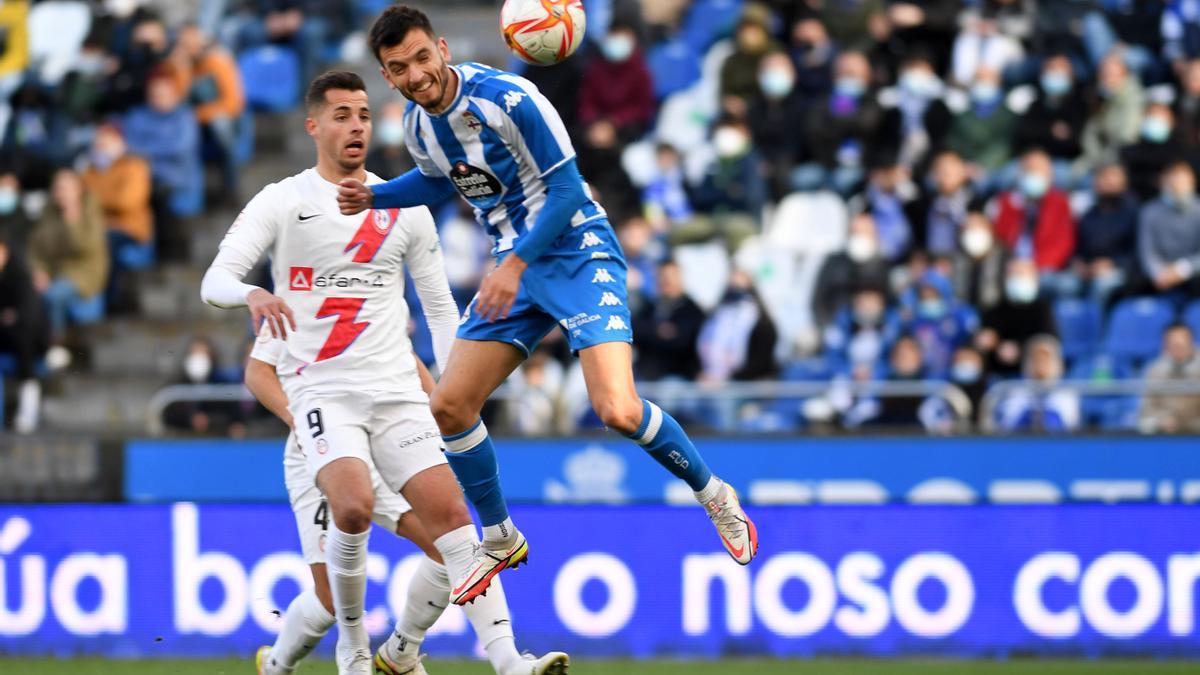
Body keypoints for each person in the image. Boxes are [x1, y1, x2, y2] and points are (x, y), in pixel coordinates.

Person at [337, 5, 758, 605]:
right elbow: (440, 182)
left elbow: (564, 190)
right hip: (515, 266)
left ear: (444, 49)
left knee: (615, 408)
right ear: (387, 75)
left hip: (576, 250)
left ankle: (714, 492)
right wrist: (376, 195)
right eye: (398, 68)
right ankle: (500, 535)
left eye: (422, 59)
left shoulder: (511, 98)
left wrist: (513, 264)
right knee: (451, 407)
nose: (415, 76)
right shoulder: (417, 126)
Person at [200, 71, 567, 675]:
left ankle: (503, 661)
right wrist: (250, 296)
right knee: (347, 524)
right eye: (341, 115)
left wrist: (456, 388)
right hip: (322, 404)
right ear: (314, 125)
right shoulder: (283, 203)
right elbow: (217, 283)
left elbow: (441, 308)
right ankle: (344, 654)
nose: (356, 126)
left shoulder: (406, 207)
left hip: (395, 399)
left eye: (365, 115)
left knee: (455, 528)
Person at [247, 334, 456, 675]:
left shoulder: (372, 288)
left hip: (381, 443)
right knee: (329, 599)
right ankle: (276, 665)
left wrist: (436, 410)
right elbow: (257, 372)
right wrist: (297, 419)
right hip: (322, 451)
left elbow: (403, 354)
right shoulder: (298, 294)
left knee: (446, 547)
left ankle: (400, 651)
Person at [1139, 160, 1200, 296]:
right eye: (1173, 181)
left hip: (1194, 275)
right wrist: (1158, 272)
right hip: (1160, 276)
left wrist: (1182, 269)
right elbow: (1147, 251)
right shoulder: (1149, 211)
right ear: (1163, 183)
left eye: (1182, 181)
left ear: (1192, 182)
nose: (1177, 185)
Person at [1139, 323, 1200, 433]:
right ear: (1165, 345)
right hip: (1167, 430)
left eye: (1182, 344)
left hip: (1196, 426)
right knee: (1146, 425)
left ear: (1191, 343)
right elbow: (1147, 409)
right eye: (1173, 345)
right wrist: (1162, 419)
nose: (1178, 348)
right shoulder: (1155, 370)